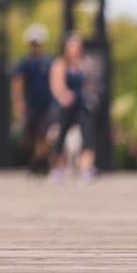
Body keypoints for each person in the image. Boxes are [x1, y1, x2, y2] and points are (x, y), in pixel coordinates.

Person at [48, 30, 97, 182]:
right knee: (61, 137)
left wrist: (90, 97)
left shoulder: (86, 62)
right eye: (71, 44)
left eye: (77, 44)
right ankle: (57, 169)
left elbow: (88, 84)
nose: (74, 48)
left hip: (81, 105)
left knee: (87, 135)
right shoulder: (60, 64)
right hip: (66, 106)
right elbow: (56, 84)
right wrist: (63, 95)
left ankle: (86, 168)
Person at [11, 23, 55, 175]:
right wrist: (18, 102)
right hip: (31, 105)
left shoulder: (49, 62)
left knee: (44, 134)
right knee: (31, 135)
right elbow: (18, 83)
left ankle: (41, 161)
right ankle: (36, 160)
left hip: (47, 104)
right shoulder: (25, 62)